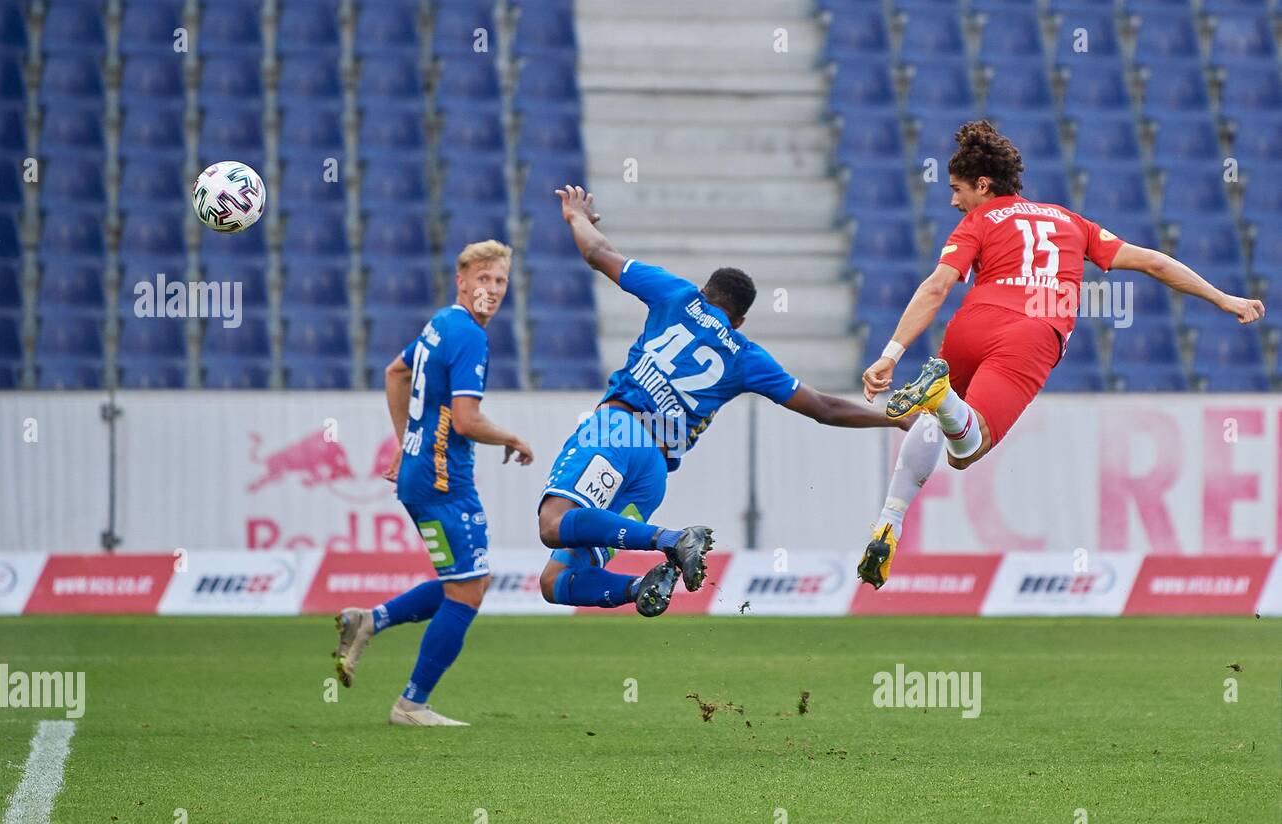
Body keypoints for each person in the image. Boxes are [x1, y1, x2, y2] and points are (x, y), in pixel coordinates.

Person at [857, 120, 1266, 589]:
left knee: (934, 425)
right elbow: (1154, 261)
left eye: (957, 190)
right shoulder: (1071, 221)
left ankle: (891, 519)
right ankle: (941, 394)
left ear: (983, 185)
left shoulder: (977, 221)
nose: (954, 200)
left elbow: (937, 287)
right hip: (1031, 335)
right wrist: (1223, 298)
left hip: (973, 323)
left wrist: (891, 353)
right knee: (968, 449)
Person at [539, 185, 909, 616]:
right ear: (741, 320)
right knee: (555, 581)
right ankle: (640, 585)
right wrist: (891, 418)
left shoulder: (676, 295)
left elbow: (598, 252)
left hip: (619, 430)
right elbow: (824, 409)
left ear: (705, 291)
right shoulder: (746, 356)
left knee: (553, 523)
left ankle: (671, 540)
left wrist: (575, 216)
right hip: (653, 472)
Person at [334, 240, 534, 726]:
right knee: (468, 592)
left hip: (423, 473)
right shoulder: (469, 336)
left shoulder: (442, 322)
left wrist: (407, 445)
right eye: (482, 279)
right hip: (445, 479)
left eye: (500, 280)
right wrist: (511, 437)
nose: (491, 288)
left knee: (463, 582)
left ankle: (371, 620)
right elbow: (466, 421)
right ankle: (411, 704)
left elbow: (395, 372)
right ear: (461, 282)